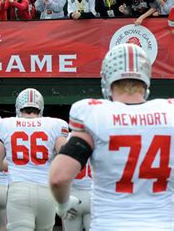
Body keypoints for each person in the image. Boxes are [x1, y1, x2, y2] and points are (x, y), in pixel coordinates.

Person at [49, 43, 174, 230]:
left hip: (110, 223)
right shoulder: (170, 113)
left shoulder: (95, 114)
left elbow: (58, 178)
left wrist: (63, 204)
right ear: (146, 78)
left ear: (107, 78)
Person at [0, 88, 68, 231]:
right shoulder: (55, 124)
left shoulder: (7, 124)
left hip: (19, 191)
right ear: (40, 108)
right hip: (46, 192)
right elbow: (65, 156)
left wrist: (15, 162)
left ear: (19, 108)